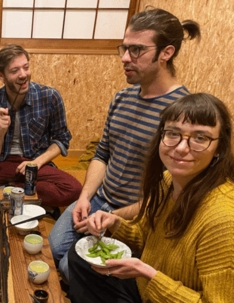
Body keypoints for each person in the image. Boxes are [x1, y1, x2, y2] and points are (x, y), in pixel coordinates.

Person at [67, 93, 234, 303]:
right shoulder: (169, 182)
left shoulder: (223, 218)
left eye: (200, 138)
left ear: (219, 147)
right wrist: (114, 224)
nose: (182, 147)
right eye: (173, 134)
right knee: (80, 257)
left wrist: (148, 274)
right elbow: (145, 238)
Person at [48, 8, 201, 283]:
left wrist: (111, 216)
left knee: (74, 268)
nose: (124, 58)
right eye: (124, 48)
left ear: (166, 53)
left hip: (135, 214)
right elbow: (102, 153)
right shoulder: (122, 97)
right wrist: (84, 198)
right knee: (56, 248)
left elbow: (167, 195)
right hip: (99, 200)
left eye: (136, 50)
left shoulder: (182, 113)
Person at [0, 44, 82, 210]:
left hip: (35, 164)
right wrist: (0, 133)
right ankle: (23, 193)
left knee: (74, 190)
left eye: (26, 67)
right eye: (14, 71)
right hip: (2, 164)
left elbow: (61, 140)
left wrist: (35, 163)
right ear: (0, 75)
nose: (23, 75)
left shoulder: (50, 96)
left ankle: (7, 193)